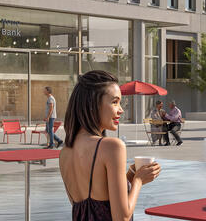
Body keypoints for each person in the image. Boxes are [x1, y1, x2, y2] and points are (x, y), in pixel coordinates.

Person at [58, 70, 161, 221]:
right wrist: (138, 181)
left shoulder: (65, 152)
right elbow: (122, 217)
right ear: (93, 104)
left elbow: (91, 205)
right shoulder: (112, 146)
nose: (121, 110)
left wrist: (130, 176)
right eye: (114, 102)